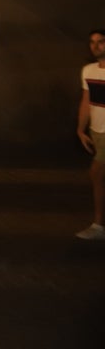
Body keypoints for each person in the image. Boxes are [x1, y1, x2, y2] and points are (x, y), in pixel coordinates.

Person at [75, 29, 105, 240]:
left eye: (101, 42)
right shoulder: (89, 70)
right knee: (98, 175)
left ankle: (98, 225)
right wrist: (80, 128)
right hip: (98, 131)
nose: (95, 46)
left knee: (96, 172)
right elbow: (87, 101)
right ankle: (99, 225)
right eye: (92, 42)